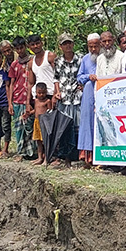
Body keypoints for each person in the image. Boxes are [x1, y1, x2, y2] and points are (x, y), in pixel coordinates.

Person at [55, 35, 82, 166]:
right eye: (65, 44)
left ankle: (77, 155)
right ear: (61, 46)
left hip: (77, 98)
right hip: (64, 98)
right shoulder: (58, 61)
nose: (68, 46)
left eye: (69, 43)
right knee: (65, 127)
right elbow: (56, 78)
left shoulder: (80, 59)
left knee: (77, 127)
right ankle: (65, 156)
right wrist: (57, 92)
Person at [77, 34, 100, 166]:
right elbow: (79, 76)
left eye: (95, 46)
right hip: (88, 93)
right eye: (90, 47)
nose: (93, 49)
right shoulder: (85, 59)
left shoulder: (104, 58)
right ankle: (87, 153)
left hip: (101, 93)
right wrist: (88, 77)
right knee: (87, 121)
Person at [9, 38, 35, 159]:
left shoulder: (33, 61)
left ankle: (32, 152)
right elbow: (11, 84)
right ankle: (21, 152)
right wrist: (10, 103)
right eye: (17, 49)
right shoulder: (14, 64)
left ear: (26, 46)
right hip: (17, 99)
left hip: (30, 99)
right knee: (19, 128)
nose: (20, 51)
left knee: (30, 127)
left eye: (21, 48)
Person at [27, 34, 59, 100]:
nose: (35, 46)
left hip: (51, 93)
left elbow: (58, 76)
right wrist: (28, 101)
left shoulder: (50, 56)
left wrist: (55, 94)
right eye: (32, 44)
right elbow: (30, 83)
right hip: (38, 96)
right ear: (29, 47)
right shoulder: (31, 63)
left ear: (42, 43)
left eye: (37, 43)